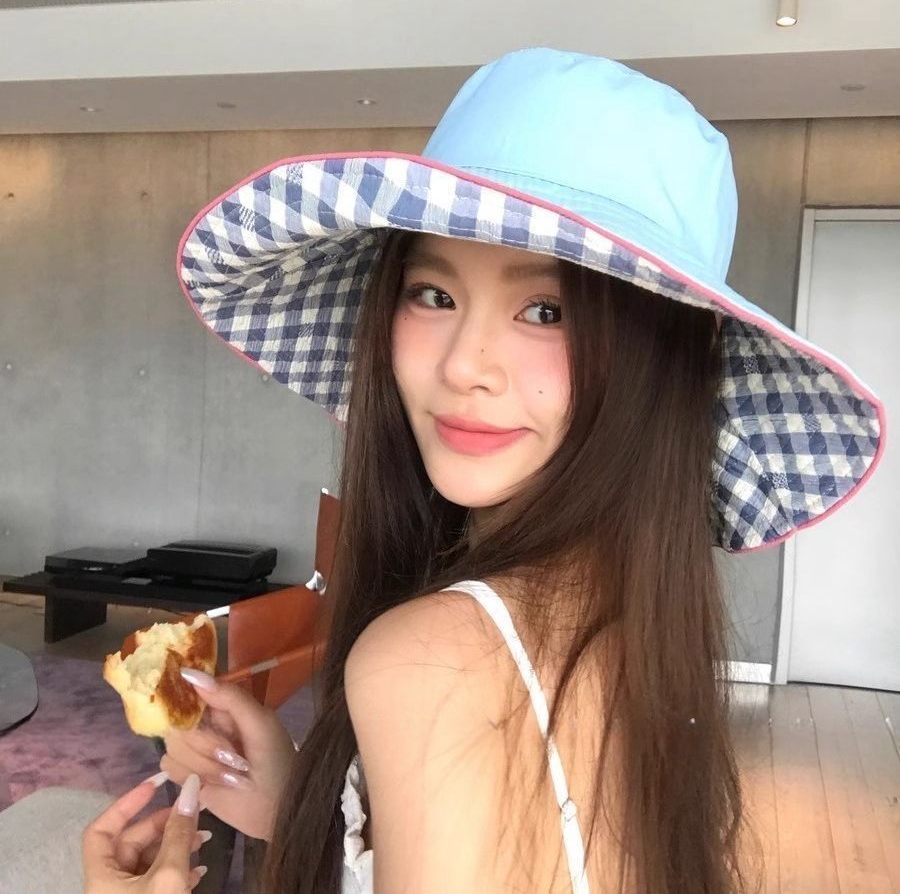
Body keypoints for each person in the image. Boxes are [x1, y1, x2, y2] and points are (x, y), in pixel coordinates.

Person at [79, 47, 885, 893]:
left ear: (664, 359)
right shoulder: (631, 622)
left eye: (546, 310)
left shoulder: (439, 661)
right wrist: (308, 808)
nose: (465, 364)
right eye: (434, 294)